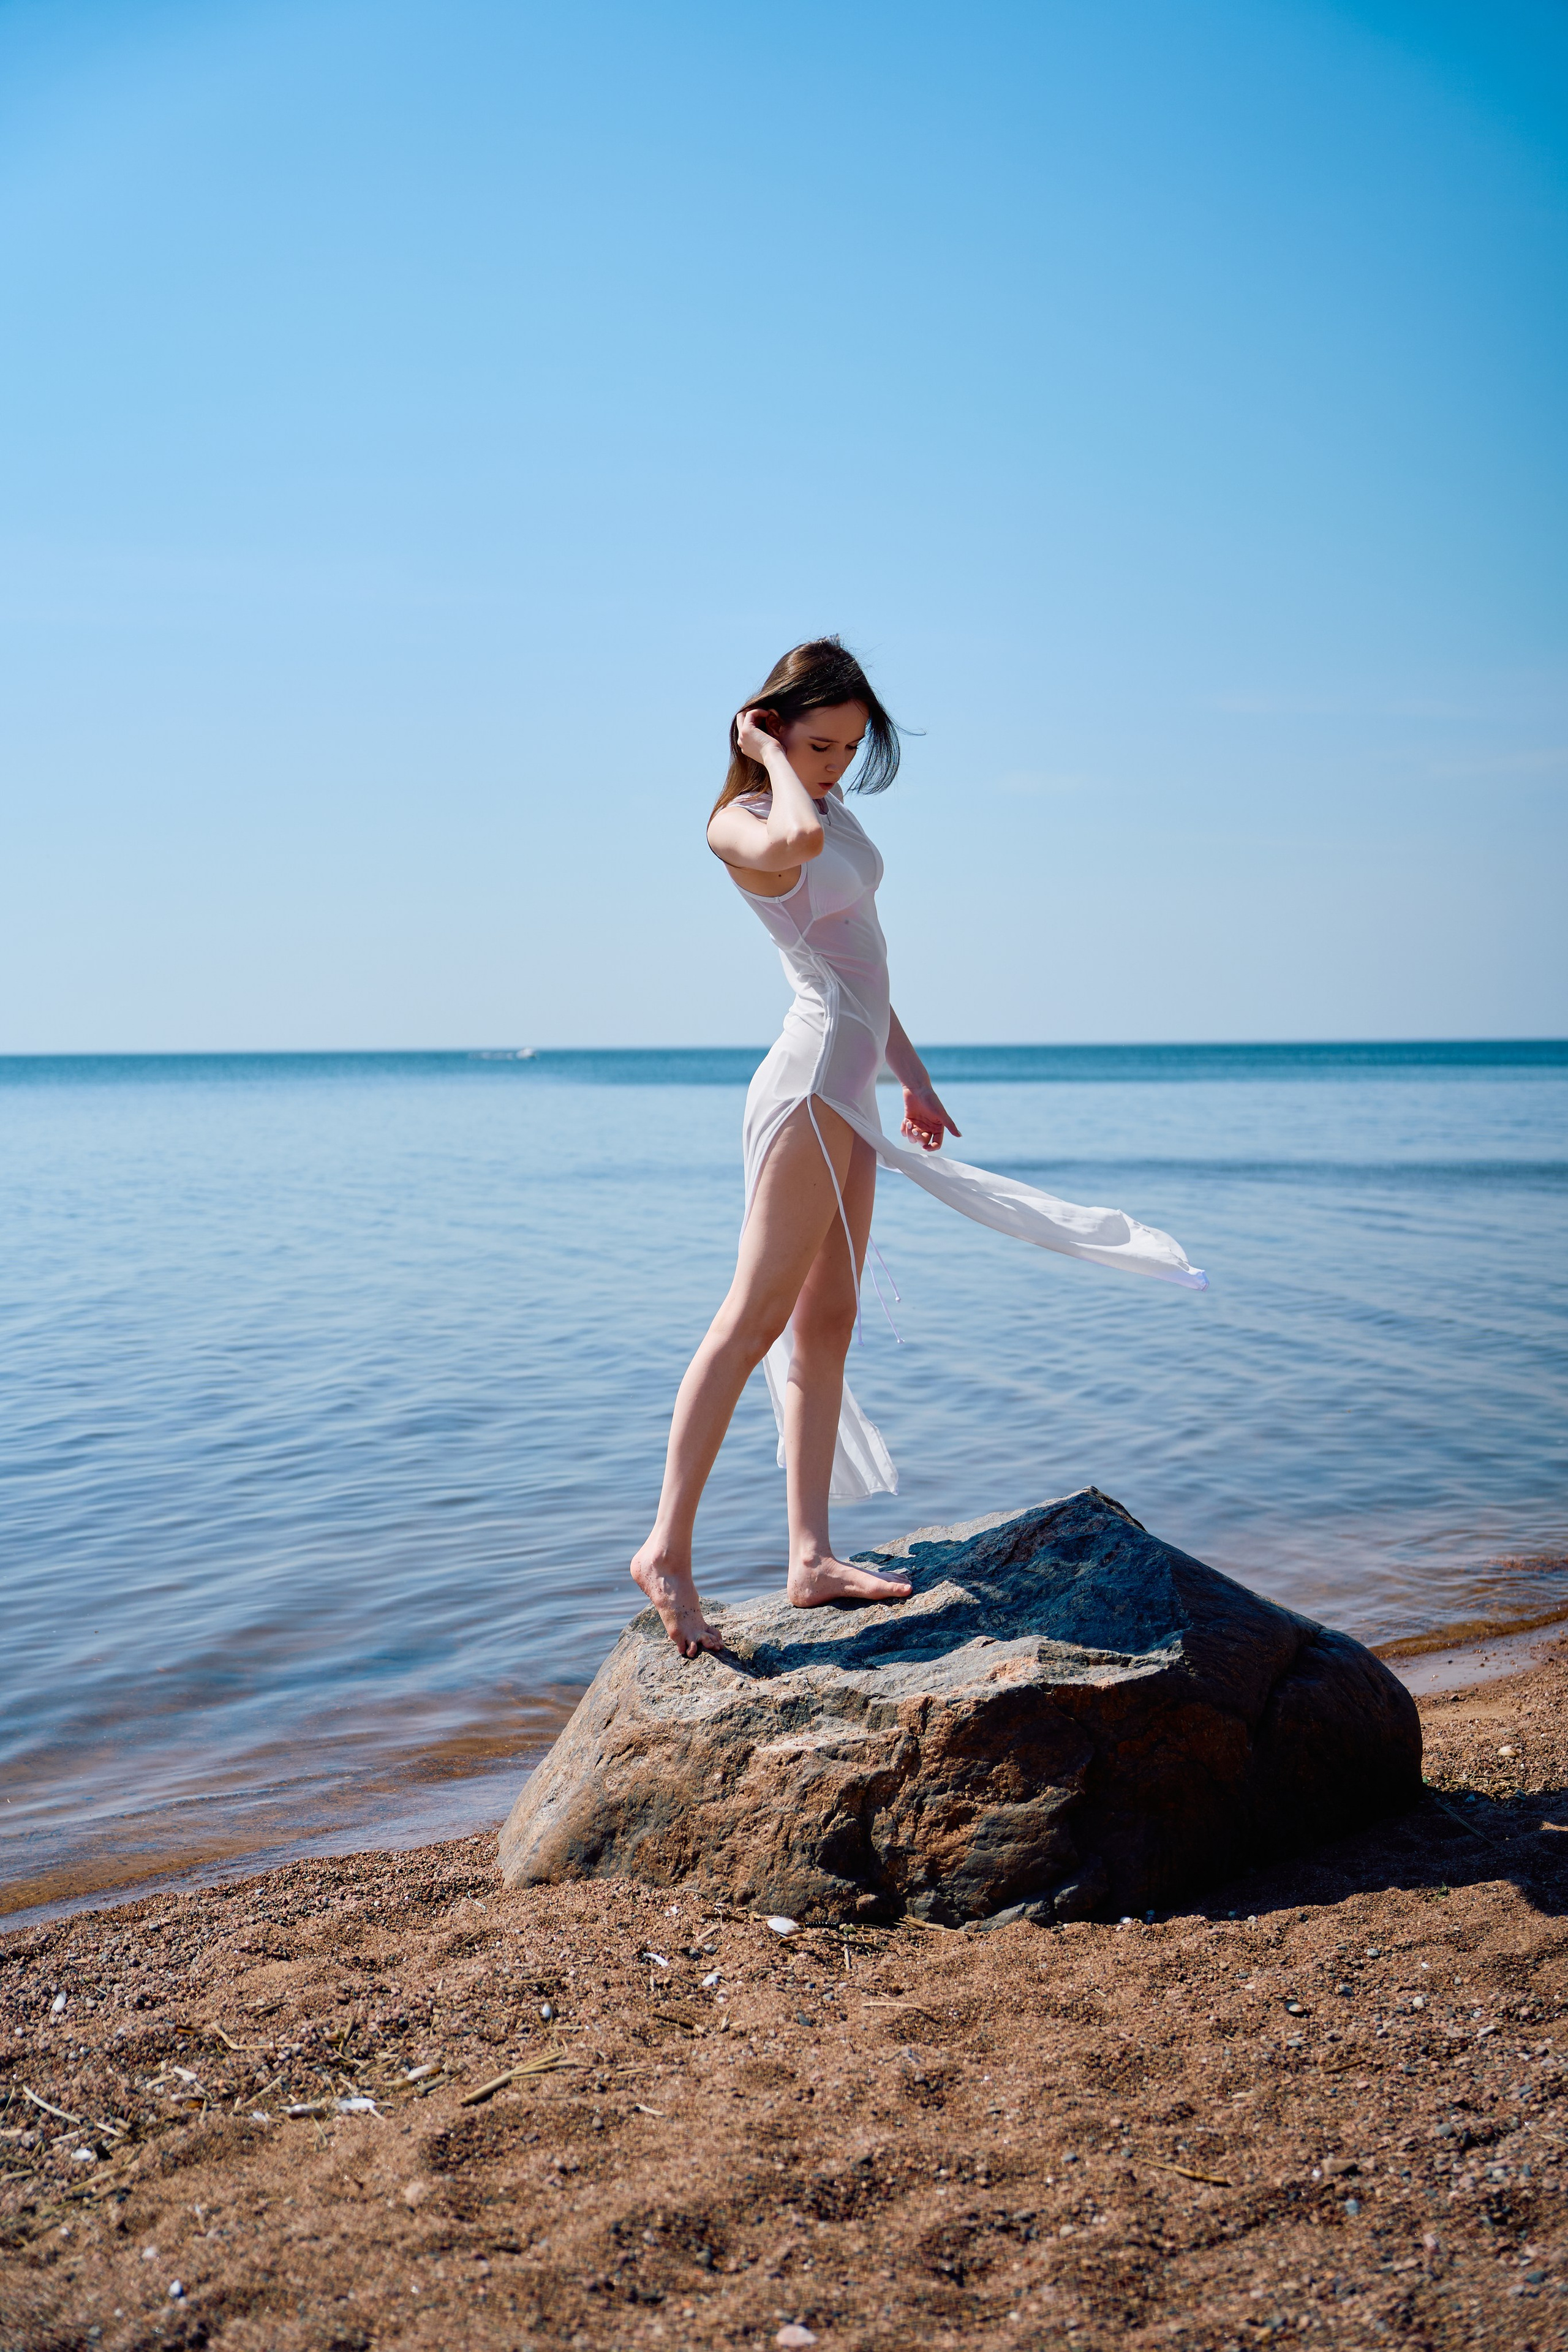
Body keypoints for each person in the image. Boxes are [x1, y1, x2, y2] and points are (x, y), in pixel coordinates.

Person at [630, 638, 1206, 1658]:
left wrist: (917, 1076)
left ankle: (809, 1557)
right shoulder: (745, 820)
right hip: (806, 1089)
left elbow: (866, 966)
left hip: (849, 1089)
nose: (834, 767)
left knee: (829, 1317)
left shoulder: (827, 806)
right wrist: (766, 760)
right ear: (765, 724)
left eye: (849, 748)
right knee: (753, 1315)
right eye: (818, 743)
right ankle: (666, 1550)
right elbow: (798, 849)